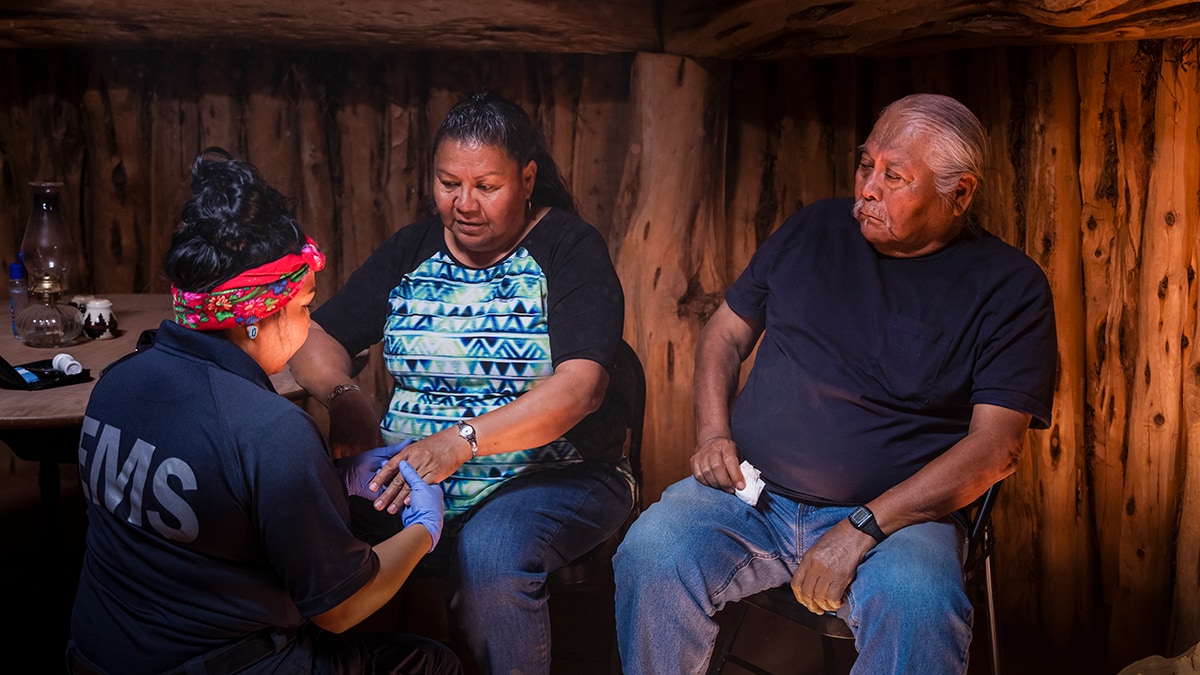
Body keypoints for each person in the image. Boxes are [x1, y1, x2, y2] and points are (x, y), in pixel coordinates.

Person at [613, 93, 1058, 674]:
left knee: (919, 602)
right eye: (866, 165)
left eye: (894, 175)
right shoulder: (815, 228)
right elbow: (724, 332)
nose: (868, 188)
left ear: (961, 193)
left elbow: (995, 448)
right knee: (652, 551)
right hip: (754, 497)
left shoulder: (1008, 286)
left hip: (898, 522)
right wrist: (713, 433)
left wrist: (862, 527)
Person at [68, 148, 460, 675]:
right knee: (432, 663)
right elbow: (342, 611)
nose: (306, 321)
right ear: (257, 316)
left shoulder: (115, 385)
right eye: (302, 306)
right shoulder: (269, 431)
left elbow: (211, 500)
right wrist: (423, 528)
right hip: (217, 666)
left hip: (96, 658)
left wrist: (328, 478)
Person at [288, 91, 634, 674]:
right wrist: (346, 401)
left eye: (487, 186)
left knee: (492, 552)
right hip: (409, 470)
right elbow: (314, 340)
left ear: (527, 179)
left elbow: (582, 388)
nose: (464, 204)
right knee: (298, 518)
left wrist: (460, 441)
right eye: (449, 183)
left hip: (554, 472)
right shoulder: (413, 249)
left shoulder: (568, 249)